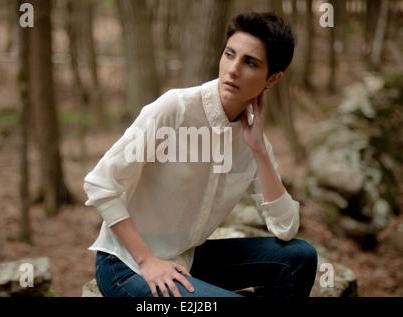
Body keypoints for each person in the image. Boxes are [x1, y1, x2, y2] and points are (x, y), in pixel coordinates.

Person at [84, 11, 318, 297]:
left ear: (272, 78)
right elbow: (99, 185)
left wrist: (258, 149)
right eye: (230, 55)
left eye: (250, 63)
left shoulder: (251, 139)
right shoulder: (176, 109)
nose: (233, 70)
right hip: (127, 266)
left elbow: (285, 227)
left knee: (300, 257)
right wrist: (148, 261)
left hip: (187, 259)